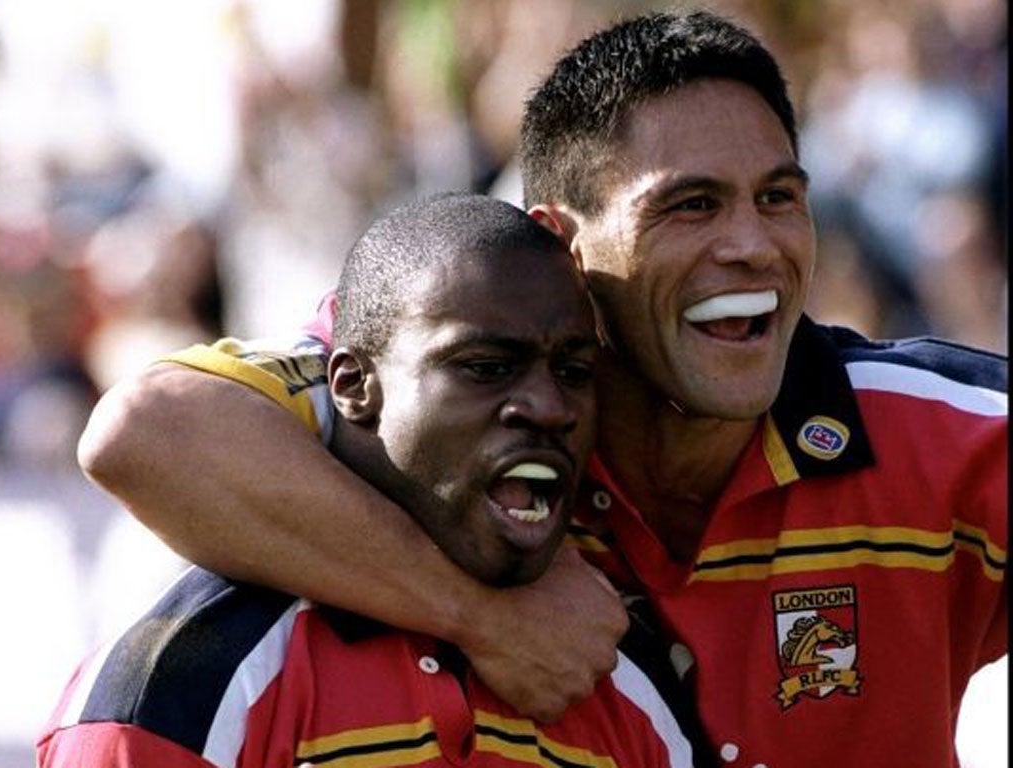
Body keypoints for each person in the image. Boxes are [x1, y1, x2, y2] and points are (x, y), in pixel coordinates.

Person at [77, 10, 1008, 768]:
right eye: (691, 205)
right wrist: (484, 615)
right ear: (560, 243)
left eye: (779, 197)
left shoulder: (939, 434)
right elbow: (149, 433)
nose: (752, 244)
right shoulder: (462, 398)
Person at [39, 194, 709, 767]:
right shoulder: (178, 688)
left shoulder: (615, 674)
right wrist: (484, 620)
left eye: (574, 370)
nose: (548, 407)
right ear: (355, 387)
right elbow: (138, 428)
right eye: (484, 366)